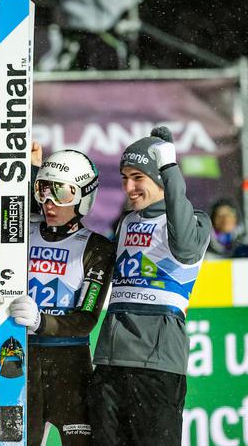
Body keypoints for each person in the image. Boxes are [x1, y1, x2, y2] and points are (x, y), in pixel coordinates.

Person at [0, 147, 116, 445]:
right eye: (42, 190)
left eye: (61, 193)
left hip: (71, 371)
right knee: (13, 442)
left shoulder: (96, 247)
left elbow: (86, 318)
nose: (49, 202)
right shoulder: (20, 232)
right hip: (18, 362)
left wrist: (41, 322)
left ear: (83, 197)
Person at [87, 126, 211, 445]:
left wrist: (170, 168)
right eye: (125, 177)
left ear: (158, 179)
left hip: (156, 366)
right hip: (110, 363)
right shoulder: (127, 222)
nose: (128, 187)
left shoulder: (194, 221)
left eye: (137, 177)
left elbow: (184, 247)